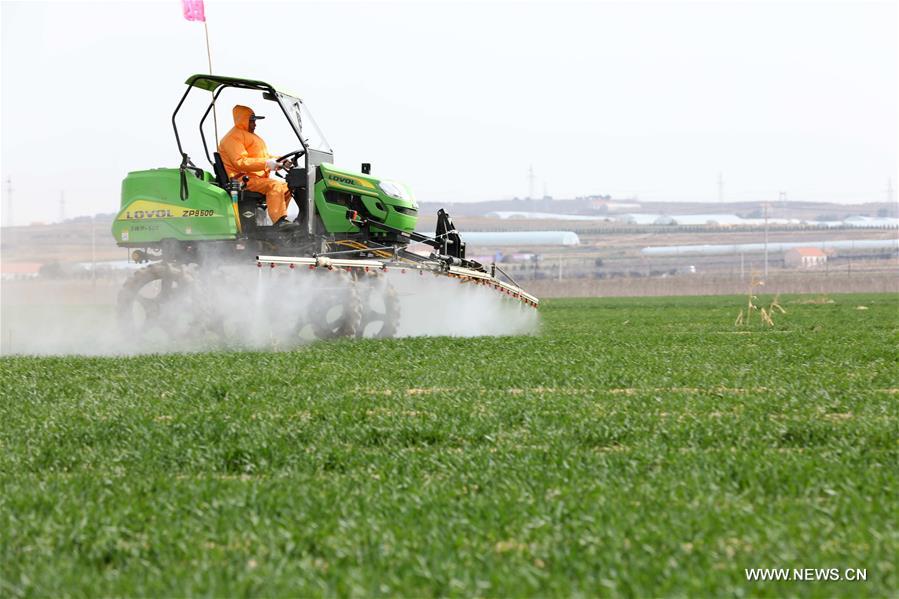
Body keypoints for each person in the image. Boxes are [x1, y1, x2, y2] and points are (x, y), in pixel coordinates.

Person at [218, 105, 297, 229]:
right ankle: (279, 222)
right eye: (252, 121)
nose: (255, 124)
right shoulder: (232, 138)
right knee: (274, 185)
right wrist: (266, 163)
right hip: (242, 180)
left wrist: (281, 160)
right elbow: (240, 162)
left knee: (288, 187)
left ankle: (282, 219)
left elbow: (264, 157)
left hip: (257, 179)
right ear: (242, 120)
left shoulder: (251, 136)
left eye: (255, 121)